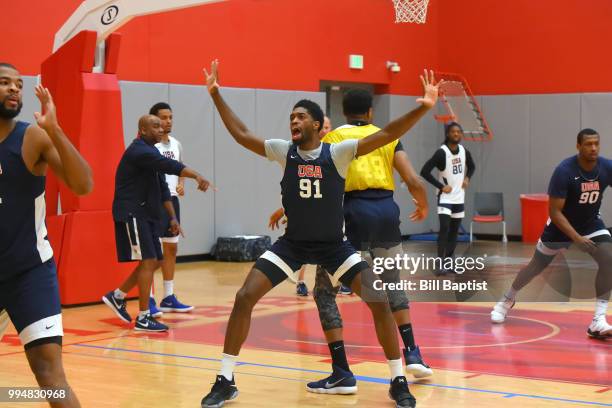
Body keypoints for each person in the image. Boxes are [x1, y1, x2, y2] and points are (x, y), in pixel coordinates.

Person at [200, 60, 442, 408]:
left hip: (334, 247)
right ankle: (225, 379)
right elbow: (241, 134)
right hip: (292, 246)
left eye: (300, 117)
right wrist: (216, 94)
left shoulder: (338, 152)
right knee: (243, 297)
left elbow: (386, 134)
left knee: (379, 301)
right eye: (291, 118)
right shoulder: (284, 151)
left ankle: (397, 379)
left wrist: (424, 108)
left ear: (316, 124)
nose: (293, 122)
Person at [302, 88, 432, 394]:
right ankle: (412, 351)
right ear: (371, 112)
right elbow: (413, 180)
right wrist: (422, 203)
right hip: (387, 212)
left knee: (324, 292)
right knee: (392, 283)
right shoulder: (388, 135)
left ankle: (341, 372)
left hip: (351, 213)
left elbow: (316, 182)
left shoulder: (331, 139)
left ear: (344, 112)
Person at [0, 62, 92, 407]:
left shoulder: (32, 137)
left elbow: (83, 185)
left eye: (18, 84)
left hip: (29, 272)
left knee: (49, 374)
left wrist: (56, 131)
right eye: (4, 82)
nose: (14, 89)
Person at [491, 128, 612, 339]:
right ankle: (507, 299)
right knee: (535, 267)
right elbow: (554, 212)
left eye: (596, 144)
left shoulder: (606, 167)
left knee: (608, 257)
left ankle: (598, 321)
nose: (593, 148)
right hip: (560, 226)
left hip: (591, 223)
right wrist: (575, 238)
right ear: (578, 146)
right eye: (588, 144)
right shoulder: (564, 171)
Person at [102, 115, 211, 332]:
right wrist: (196, 175)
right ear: (142, 130)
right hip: (133, 212)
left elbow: (163, 188)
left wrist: (172, 218)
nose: (161, 129)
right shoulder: (139, 151)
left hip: (148, 214)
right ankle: (143, 317)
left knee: (154, 261)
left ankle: (117, 296)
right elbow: (170, 166)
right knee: (149, 260)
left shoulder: (152, 153)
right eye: (156, 126)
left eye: (162, 126)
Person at [148, 102, 194, 317]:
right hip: (154, 201)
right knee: (152, 254)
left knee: (171, 250)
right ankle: (147, 298)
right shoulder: (151, 146)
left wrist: (182, 183)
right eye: (164, 118)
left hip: (172, 202)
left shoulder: (176, 144)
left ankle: (168, 296)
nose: (168, 121)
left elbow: (180, 166)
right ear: (153, 121)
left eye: (170, 117)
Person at [420, 122, 475, 275]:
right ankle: (440, 263)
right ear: (447, 134)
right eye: (453, 131)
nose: (456, 134)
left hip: (459, 198)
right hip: (445, 197)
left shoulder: (464, 151)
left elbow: (472, 166)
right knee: (444, 229)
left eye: (458, 131)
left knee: (454, 232)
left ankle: (449, 262)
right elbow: (424, 171)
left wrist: (467, 178)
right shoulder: (442, 152)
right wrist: (440, 186)